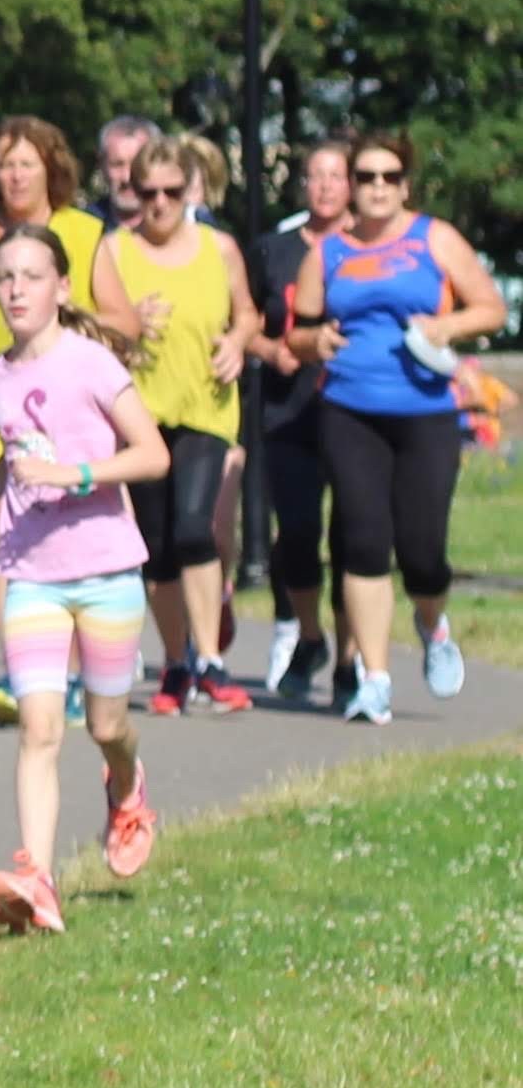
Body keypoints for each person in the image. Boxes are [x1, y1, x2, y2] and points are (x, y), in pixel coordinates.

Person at [0, 228, 168, 933]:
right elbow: (12, 460)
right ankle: (36, 876)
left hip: (104, 567)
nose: (15, 290)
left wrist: (76, 474)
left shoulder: (94, 364)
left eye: (31, 276)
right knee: (39, 728)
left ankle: (128, 788)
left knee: (106, 723)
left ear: (61, 288)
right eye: (4, 277)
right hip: (30, 572)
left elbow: (153, 453)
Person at [283, 130, 509, 721]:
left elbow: (491, 307)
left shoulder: (434, 237)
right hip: (350, 408)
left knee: (423, 550)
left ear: (404, 185)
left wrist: (446, 328)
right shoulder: (328, 251)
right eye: (365, 177)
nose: (376, 187)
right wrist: (317, 340)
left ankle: (432, 626)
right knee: (361, 539)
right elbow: (296, 332)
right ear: (352, 187)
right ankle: (374, 678)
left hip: (426, 411)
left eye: (388, 177)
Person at [0, 118, 104, 723]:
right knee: (6, 541)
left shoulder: (86, 234)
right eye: (6, 164)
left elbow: (114, 317)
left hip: (66, 406)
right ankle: (24, 670)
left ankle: (73, 663)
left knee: (62, 542)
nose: (15, 175)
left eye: (27, 164)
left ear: (51, 169)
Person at [89, 139, 256, 713]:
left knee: (193, 529)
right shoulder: (113, 250)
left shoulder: (220, 247)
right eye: (147, 192)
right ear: (131, 191)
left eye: (171, 192)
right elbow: (92, 323)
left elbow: (248, 313)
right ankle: (176, 661)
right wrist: (127, 327)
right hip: (140, 413)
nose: (159, 204)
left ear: (191, 190)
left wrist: (237, 342)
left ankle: (212, 658)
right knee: (157, 545)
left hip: (205, 405)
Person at [247, 138, 351, 699]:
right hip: (288, 411)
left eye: (337, 176)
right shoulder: (273, 251)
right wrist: (269, 350)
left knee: (355, 537)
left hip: (354, 409)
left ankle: (352, 661)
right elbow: (244, 319)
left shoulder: (366, 250)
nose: (327, 186)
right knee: (300, 534)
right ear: (303, 185)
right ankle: (310, 637)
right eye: (316, 176)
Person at [86, 115, 164, 231]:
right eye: (117, 165)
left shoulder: (189, 228)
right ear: (101, 165)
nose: (127, 177)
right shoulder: (80, 228)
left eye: (137, 165)